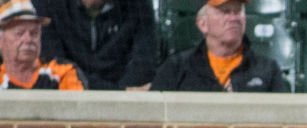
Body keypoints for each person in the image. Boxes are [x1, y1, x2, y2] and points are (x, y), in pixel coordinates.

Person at [149, 0, 288, 93]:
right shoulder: (176, 68)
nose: (233, 18)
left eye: (238, 11)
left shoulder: (267, 69)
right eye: (225, 11)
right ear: (203, 24)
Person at [35, 0, 157, 90]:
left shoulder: (139, 6)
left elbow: (143, 63)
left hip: (127, 105)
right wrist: (117, 92)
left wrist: (122, 97)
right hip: (67, 99)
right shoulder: (47, 5)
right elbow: (55, 66)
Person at [0, 0, 85, 90]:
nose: (28, 39)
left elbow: (80, 103)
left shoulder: (63, 73)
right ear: (1, 40)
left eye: (34, 33)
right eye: (19, 33)